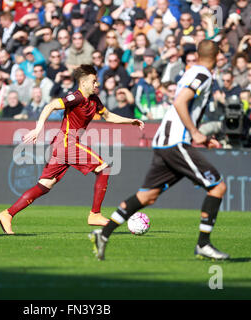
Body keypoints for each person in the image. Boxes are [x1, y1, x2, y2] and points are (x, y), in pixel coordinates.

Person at [89, 40, 230, 261]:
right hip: (175, 142)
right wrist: (194, 132)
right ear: (217, 57)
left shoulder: (192, 72)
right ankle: (203, 244)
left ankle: (103, 234)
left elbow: (183, 107)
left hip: (165, 141)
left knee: (147, 196)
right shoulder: (203, 75)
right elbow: (180, 102)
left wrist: (202, 137)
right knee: (218, 187)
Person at [0, 64, 144, 235]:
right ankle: (95, 214)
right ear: (83, 82)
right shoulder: (76, 97)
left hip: (63, 145)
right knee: (104, 168)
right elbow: (50, 106)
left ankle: (7, 214)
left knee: (45, 184)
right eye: (94, 81)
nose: (97, 84)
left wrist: (130, 121)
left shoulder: (94, 100)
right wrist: (38, 129)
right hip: (67, 143)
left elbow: (109, 116)